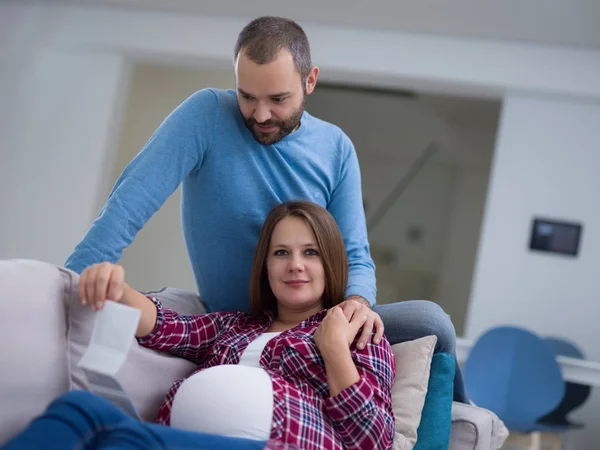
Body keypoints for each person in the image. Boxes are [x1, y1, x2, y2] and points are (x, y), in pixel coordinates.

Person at [64, 15, 466, 402]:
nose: (260, 115)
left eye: (277, 99)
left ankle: (465, 418)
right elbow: (131, 200)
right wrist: (70, 278)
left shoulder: (336, 148)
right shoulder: (205, 115)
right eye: (247, 96)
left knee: (431, 323)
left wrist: (356, 304)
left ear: (310, 81)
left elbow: (355, 253)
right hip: (234, 322)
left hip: (312, 323)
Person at [3, 201, 395, 450]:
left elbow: (374, 441)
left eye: (310, 252)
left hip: (283, 443)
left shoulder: (358, 332)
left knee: (121, 440)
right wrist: (117, 287)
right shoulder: (234, 326)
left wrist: (333, 351)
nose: (295, 264)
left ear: (330, 263)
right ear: (266, 266)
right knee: (80, 408)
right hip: (188, 437)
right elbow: (165, 327)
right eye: (281, 253)